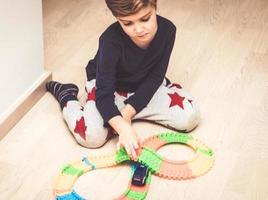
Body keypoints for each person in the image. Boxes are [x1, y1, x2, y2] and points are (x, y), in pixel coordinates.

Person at [46, 0, 200, 159]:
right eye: (127, 23)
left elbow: (155, 77)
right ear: (116, 17)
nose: (139, 29)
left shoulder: (168, 30)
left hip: (146, 85)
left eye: (145, 19)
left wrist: (125, 115)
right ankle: (67, 95)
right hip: (109, 90)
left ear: (154, 5)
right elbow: (104, 94)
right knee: (91, 136)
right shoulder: (110, 40)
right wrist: (123, 128)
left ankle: (151, 98)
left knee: (190, 117)